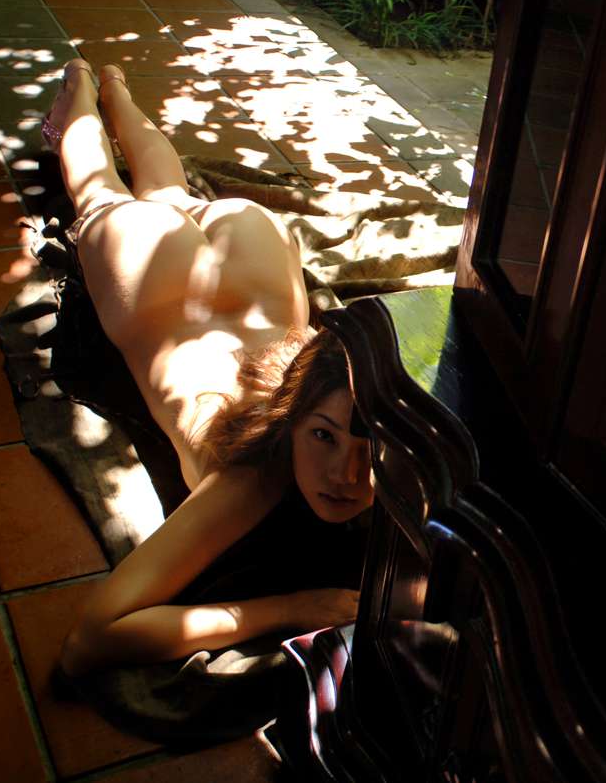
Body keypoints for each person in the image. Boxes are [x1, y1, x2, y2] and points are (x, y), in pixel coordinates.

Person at [47, 59, 373, 677]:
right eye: (323, 436)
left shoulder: (386, 433)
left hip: (252, 248)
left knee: (170, 198)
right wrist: (290, 609)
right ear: (291, 420)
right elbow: (92, 637)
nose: (345, 477)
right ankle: (82, 87)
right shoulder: (250, 478)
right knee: (99, 194)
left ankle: (113, 86)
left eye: (368, 449)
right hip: (157, 280)